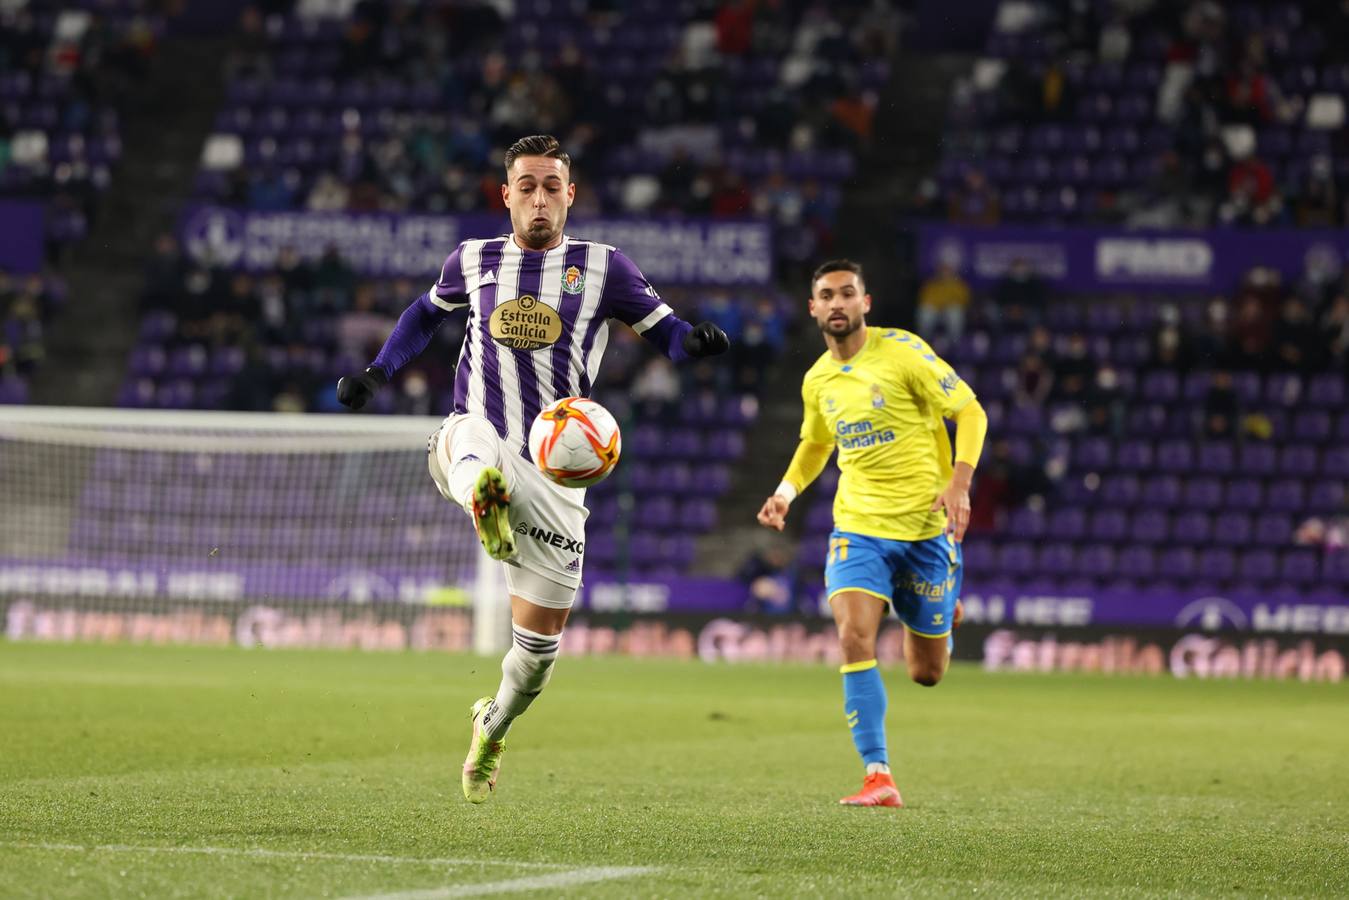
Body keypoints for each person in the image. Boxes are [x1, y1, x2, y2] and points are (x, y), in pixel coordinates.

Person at [335, 135, 729, 804]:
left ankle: (491, 727)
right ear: (507, 194)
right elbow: (423, 316)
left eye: (552, 186)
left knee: (537, 658)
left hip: (557, 468)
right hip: (479, 434)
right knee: (467, 441)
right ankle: (480, 498)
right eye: (527, 186)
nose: (539, 198)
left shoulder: (605, 268)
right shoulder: (473, 260)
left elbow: (663, 329)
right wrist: (377, 374)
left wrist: (693, 342)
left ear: (569, 195)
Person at [756, 259, 987, 809]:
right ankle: (877, 774)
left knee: (926, 673)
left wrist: (960, 484)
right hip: (857, 528)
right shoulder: (818, 379)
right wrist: (785, 493)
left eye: (847, 294)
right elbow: (816, 444)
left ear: (866, 303)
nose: (837, 303)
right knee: (854, 636)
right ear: (813, 308)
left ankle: (941, 605)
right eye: (826, 296)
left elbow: (971, 412)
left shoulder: (903, 353)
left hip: (926, 529)